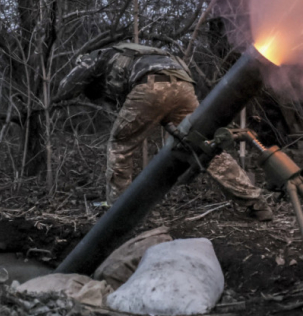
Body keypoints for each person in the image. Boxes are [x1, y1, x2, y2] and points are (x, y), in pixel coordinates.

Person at [54, 42, 273, 220]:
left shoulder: (97, 55)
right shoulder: (139, 53)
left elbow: (67, 85)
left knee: (120, 146)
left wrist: (53, 100)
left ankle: (117, 211)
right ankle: (255, 201)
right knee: (203, 146)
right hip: (184, 86)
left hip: (150, 86)